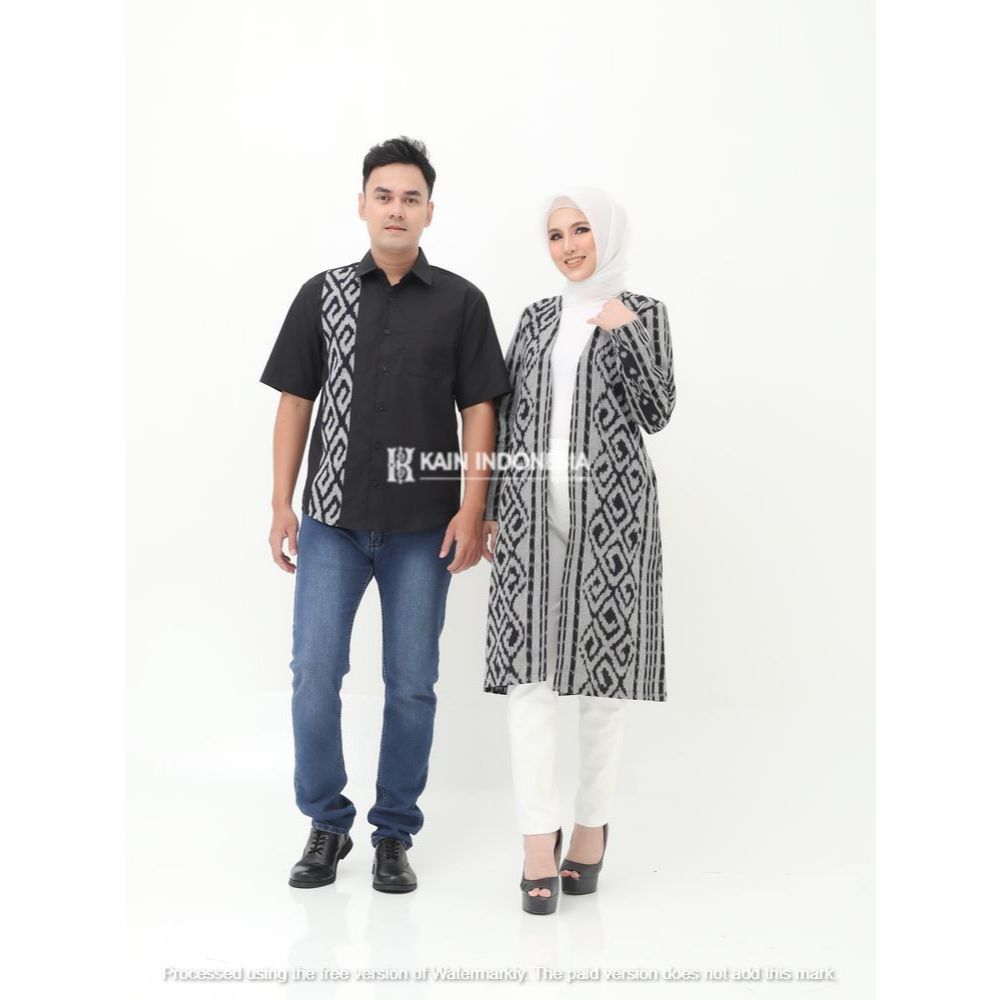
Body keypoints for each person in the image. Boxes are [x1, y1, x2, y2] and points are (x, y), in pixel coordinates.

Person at [260, 136, 512, 893]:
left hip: (423, 528)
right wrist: (280, 502)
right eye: (384, 196)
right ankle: (326, 823)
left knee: (411, 684)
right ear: (363, 205)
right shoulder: (324, 294)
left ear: (430, 211)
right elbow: (295, 401)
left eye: (411, 198)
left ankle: (394, 832)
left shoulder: (462, 302)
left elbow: (479, 408)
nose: (396, 209)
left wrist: (474, 506)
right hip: (331, 522)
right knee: (314, 675)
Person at [482, 186, 677, 914]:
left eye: (581, 230)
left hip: (615, 517)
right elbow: (505, 415)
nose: (567, 246)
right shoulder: (535, 319)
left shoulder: (644, 312)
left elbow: (658, 410)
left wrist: (625, 331)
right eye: (556, 234)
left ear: (609, 234)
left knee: (601, 681)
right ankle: (538, 840)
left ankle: (590, 830)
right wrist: (493, 506)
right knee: (528, 677)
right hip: (530, 514)